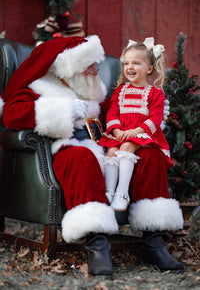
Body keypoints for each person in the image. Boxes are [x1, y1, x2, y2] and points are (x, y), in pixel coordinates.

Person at [0, 35, 184, 275]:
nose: (96, 69)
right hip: (65, 149)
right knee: (81, 157)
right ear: (72, 68)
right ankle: (97, 245)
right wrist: (61, 111)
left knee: (150, 155)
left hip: (106, 148)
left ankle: (154, 241)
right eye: (89, 65)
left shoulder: (94, 92)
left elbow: (119, 115)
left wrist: (149, 114)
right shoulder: (39, 88)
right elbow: (11, 114)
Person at [99, 37, 172, 212]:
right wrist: (116, 130)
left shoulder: (155, 94)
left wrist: (136, 131)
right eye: (126, 63)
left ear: (149, 69)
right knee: (112, 151)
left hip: (143, 134)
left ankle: (122, 193)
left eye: (136, 63)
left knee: (126, 148)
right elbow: (112, 112)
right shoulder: (120, 91)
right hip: (121, 133)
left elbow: (155, 118)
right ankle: (109, 191)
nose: (130, 67)